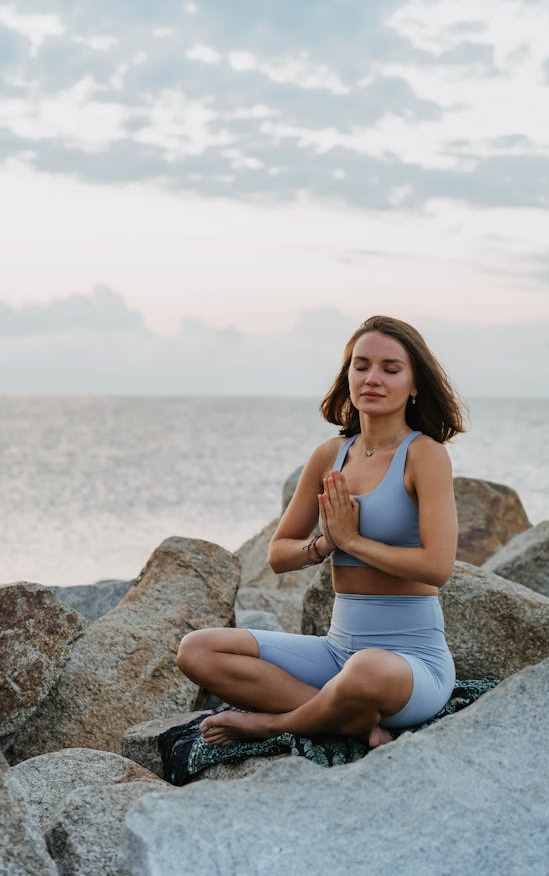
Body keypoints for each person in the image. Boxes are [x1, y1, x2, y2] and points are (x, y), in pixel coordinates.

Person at [176, 314, 466, 749]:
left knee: (366, 671)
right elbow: (278, 555)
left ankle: (273, 724)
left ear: (415, 385)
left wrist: (353, 543)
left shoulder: (425, 456)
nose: (372, 378)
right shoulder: (330, 455)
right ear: (346, 374)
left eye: (390, 369)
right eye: (361, 365)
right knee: (196, 649)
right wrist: (325, 544)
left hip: (408, 663)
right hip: (335, 651)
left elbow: (437, 567)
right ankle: (344, 717)